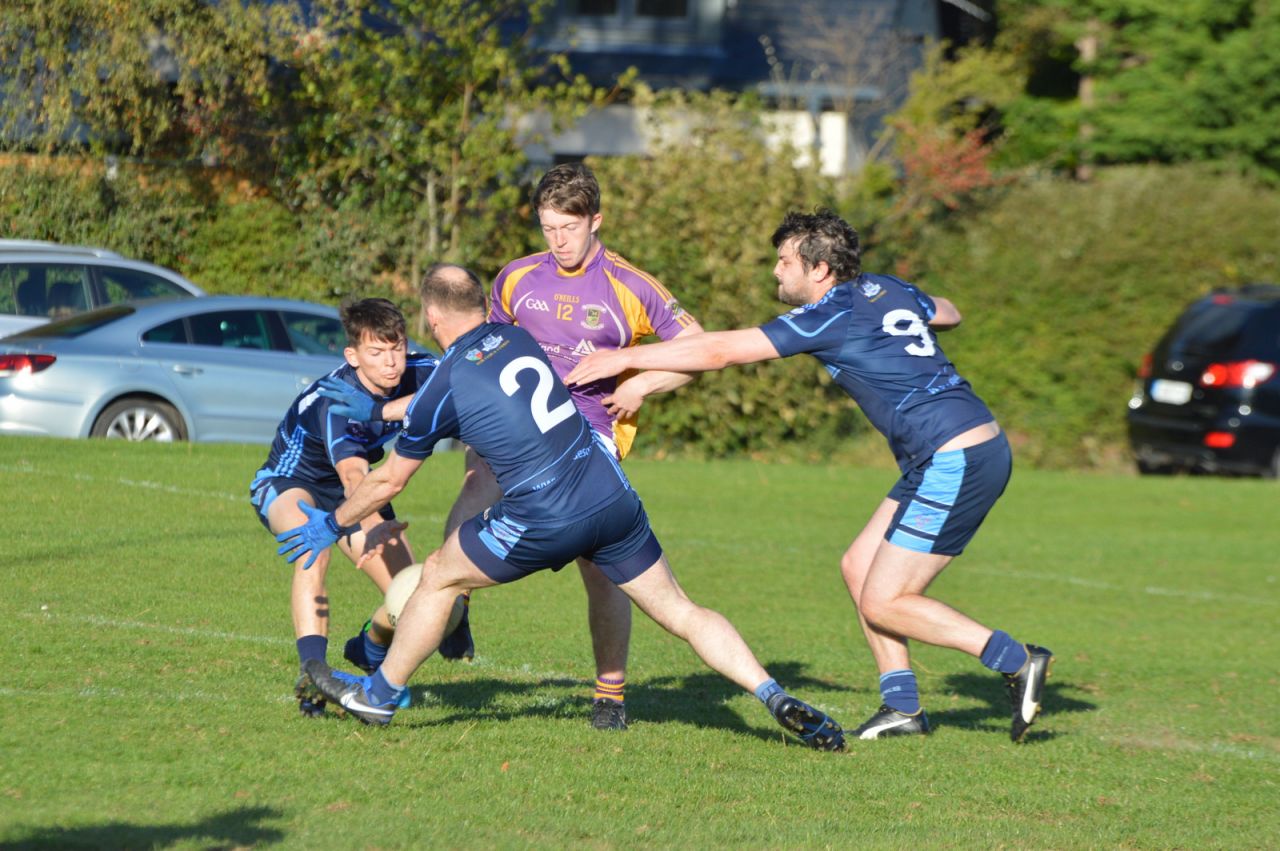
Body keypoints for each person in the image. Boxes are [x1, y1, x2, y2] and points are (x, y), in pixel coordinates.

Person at [279, 264, 845, 751]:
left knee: (437, 578)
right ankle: (772, 694)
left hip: (543, 512)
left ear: (432, 320)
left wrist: (332, 523)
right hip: (610, 492)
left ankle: (378, 696)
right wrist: (383, 415)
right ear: (483, 304)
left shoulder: (444, 379)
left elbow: (386, 483)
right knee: (680, 610)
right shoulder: (522, 338)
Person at [565, 210, 1054, 743]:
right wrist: (906, 317)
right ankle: (903, 706)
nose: (775, 272)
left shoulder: (831, 313)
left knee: (885, 599)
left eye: (784, 261)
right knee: (857, 566)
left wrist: (626, 357)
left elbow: (721, 350)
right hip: (950, 450)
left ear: (819, 270)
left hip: (954, 457)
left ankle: (1016, 659)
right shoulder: (883, 289)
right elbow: (950, 312)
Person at [438, 162, 705, 731]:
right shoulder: (515, 279)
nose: (558, 241)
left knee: (600, 564)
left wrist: (640, 379)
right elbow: (485, 344)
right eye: (548, 228)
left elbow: (699, 348)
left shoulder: (630, 286)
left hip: (589, 436)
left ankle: (610, 690)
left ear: (596, 220)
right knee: (475, 479)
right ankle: (454, 604)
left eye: (569, 227)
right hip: (517, 423)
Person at [250, 297, 440, 717]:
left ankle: (369, 645)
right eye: (377, 352)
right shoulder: (338, 399)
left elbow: (467, 385)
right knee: (310, 549)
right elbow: (354, 478)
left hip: (354, 489)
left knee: (412, 593)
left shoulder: (422, 370)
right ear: (352, 356)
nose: (391, 362)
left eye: (397, 348)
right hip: (290, 483)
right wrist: (370, 518)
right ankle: (312, 673)